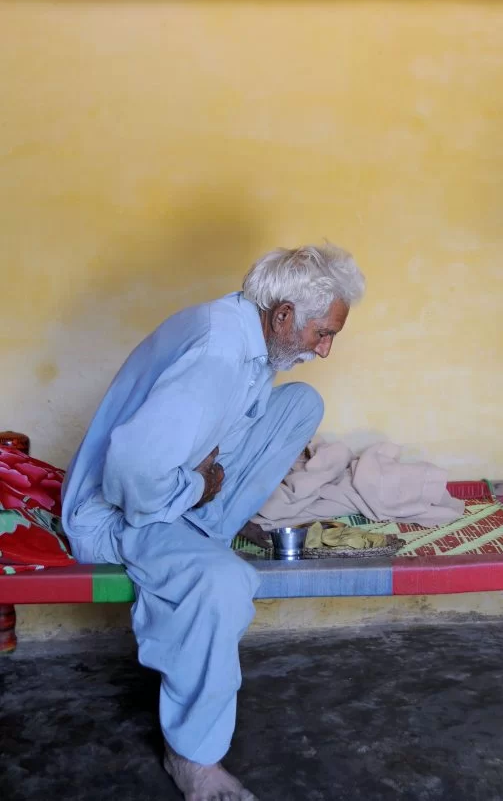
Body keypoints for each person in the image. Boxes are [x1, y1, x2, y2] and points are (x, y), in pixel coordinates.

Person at [61, 244, 365, 801]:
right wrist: (199, 488)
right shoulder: (217, 355)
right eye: (323, 333)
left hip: (173, 493)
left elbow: (212, 439)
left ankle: (204, 531)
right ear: (283, 314)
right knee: (223, 583)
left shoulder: (245, 332)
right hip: (117, 514)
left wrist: (204, 487)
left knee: (300, 403)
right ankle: (193, 757)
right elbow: (131, 471)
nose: (324, 349)